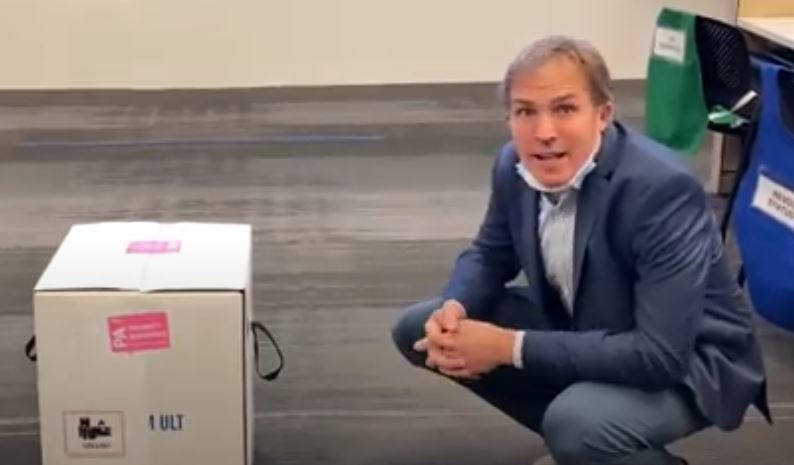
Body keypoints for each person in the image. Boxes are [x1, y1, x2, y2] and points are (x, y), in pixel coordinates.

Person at [391, 35, 771, 465]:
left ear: (603, 114)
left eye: (565, 109)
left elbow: (660, 355)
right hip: (590, 321)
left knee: (576, 423)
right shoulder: (513, 165)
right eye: (525, 112)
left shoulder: (662, 190)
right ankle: (589, 448)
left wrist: (508, 347)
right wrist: (455, 307)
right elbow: (490, 253)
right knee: (421, 329)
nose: (544, 132)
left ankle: (588, 439)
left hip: (690, 358)